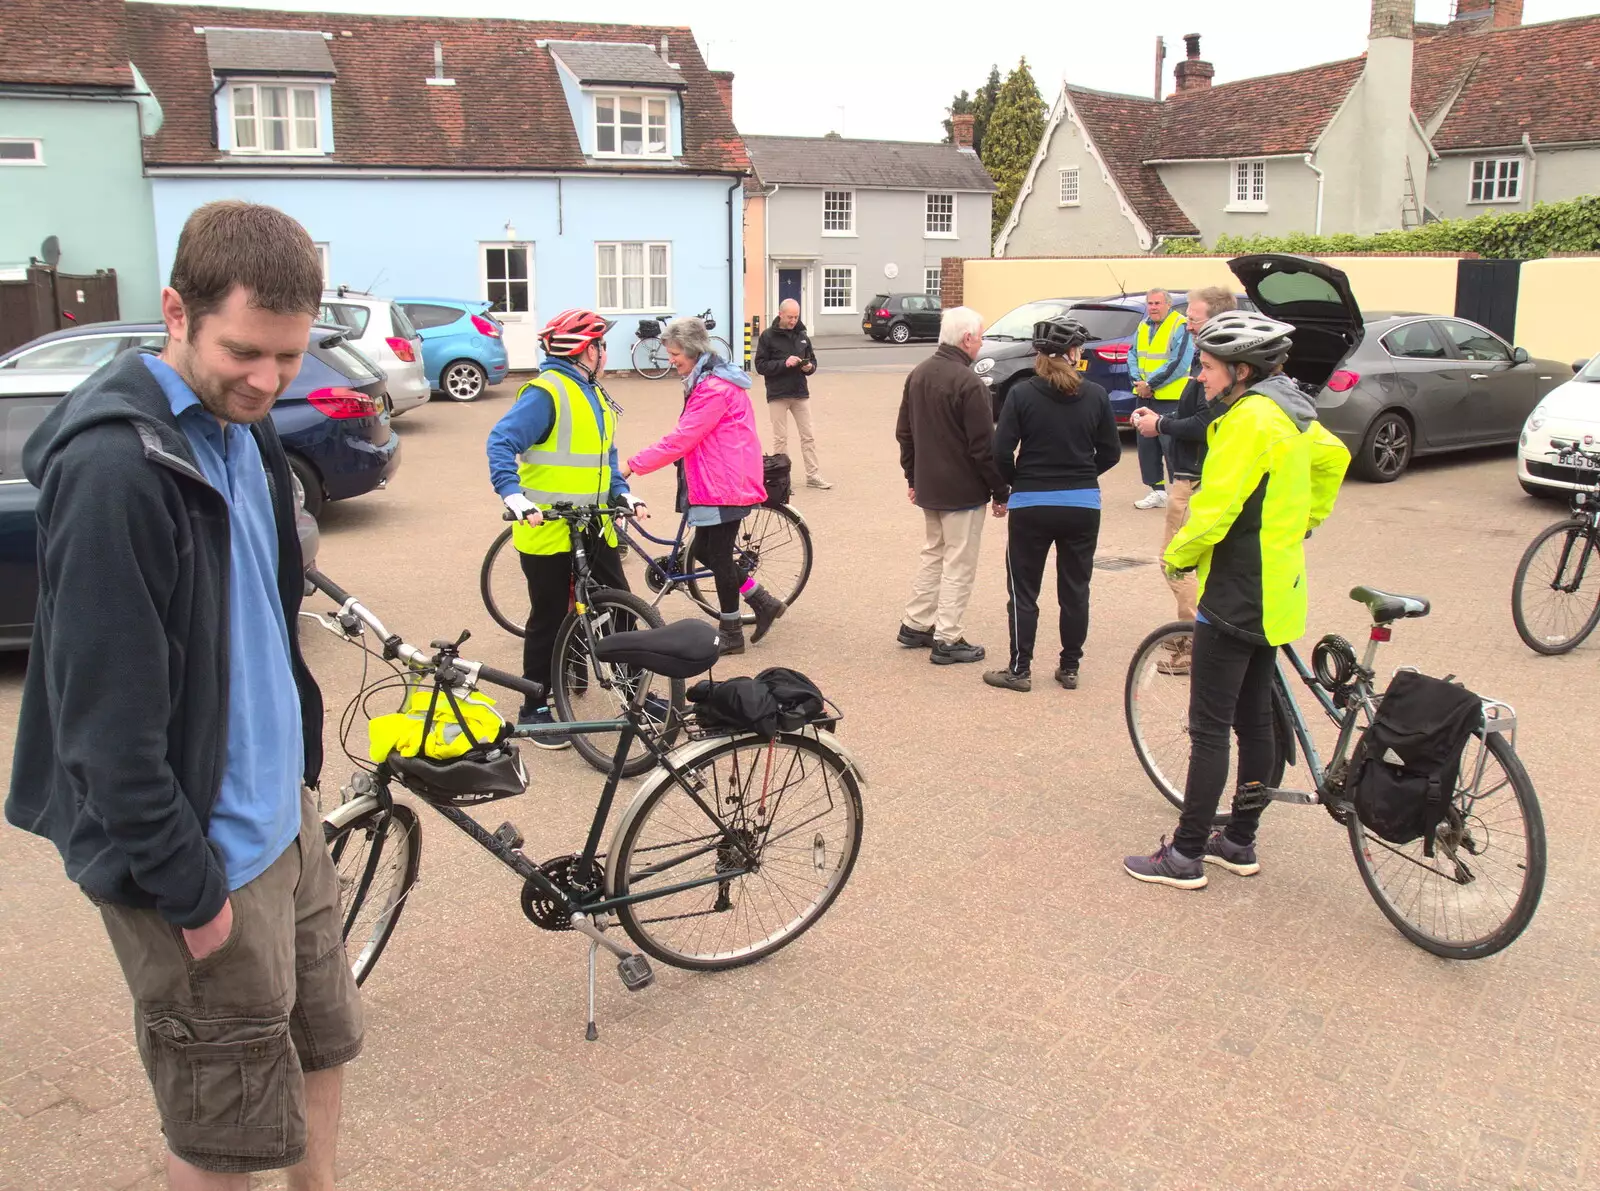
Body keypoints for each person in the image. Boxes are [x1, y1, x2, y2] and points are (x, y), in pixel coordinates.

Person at [6, 201, 361, 1189]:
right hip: (200, 857)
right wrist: (186, 890)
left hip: (285, 824)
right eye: (246, 352)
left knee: (324, 1049)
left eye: (289, 358)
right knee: (222, 1134)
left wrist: (296, 785)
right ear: (174, 310)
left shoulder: (243, 432)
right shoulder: (115, 469)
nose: (268, 380)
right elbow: (103, 725)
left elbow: (262, 612)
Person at [1124, 312, 1351, 890]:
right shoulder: (1291, 411)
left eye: (1207, 366)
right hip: (1278, 589)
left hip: (1235, 590)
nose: (1201, 376)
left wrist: (1178, 556)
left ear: (1241, 371)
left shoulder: (1248, 420)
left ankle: (1186, 854)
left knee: (1208, 728)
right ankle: (1241, 841)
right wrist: (1305, 522)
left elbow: (1216, 508)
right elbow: (1334, 461)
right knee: (1254, 723)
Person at [486, 308, 644, 749]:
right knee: (549, 616)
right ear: (585, 350)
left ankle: (634, 691)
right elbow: (502, 441)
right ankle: (534, 705)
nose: (606, 353)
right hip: (547, 524)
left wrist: (622, 491)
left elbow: (604, 458)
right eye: (602, 345)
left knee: (622, 607)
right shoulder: (546, 392)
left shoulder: (591, 391)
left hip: (594, 522)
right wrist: (512, 494)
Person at [621, 317, 781, 655]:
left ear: (693, 351)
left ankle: (732, 633)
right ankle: (763, 601)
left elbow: (683, 438)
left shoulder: (713, 389)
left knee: (718, 556)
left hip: (726, 482)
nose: (671, 360)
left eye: (675, 353)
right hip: (720, 478)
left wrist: (633, 465)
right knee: (707, 552)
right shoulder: (707, 380)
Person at [983, 316, 1120, 693]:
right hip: (1082, 503)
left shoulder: (1022, 394)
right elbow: (1111, 452)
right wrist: (1082, 474)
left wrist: (1016, 482)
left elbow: (1000, 450)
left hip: (1032, 503)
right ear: (1073, 354)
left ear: (1039, 355)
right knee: (1075, 588)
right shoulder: (1095, 394)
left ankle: (1019, 669)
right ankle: (1069, 667)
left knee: (1024, 590)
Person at [1130, 285, 1237, 675]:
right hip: (1191, 475)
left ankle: (1194, 643)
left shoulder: (1222, 369)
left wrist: (1161, 424)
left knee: (1176, 561)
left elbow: (1204, 424)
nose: (1188, 325)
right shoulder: (1210, 361)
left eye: (1194, 318)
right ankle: (1200, 637)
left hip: (1195, 481)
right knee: (1189, 563)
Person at [895, 305, 1009, 665]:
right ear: (966, 339)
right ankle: (948, 636)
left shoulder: (919, 374)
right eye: (980, 336)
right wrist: (1000, 489)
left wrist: (913, 477)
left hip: (930, 485)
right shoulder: (969, 382)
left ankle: (915, 623)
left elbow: (905, 434)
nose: (982, 342)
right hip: (962, 489)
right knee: (959, 561)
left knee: (934, 553)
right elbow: (982, 447)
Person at [1127, 288, 1194, 510]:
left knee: (1172, 446)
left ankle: (1181, 492)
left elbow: (1179, 362)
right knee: (1146, 445)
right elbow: (1133, 354)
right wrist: (1138, 382)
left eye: (1157, 303)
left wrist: (1151, 384)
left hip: (1170, 397)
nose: (1153, 307)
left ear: (1168, 304)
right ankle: (1156, 491)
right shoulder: (1144, 325)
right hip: (1144, 395)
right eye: (1150, 303)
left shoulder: (1180, 325)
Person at [755, 298, 831, 489]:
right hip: (778, 394)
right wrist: (784, 363)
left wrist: (809, 367)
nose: (793, 321)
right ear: (780, 314)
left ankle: (813, 475)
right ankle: (782, 481)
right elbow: (760, 365)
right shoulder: (767, 336)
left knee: (808, 435)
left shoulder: (803, 336)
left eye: (796, 317)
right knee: (780, 439)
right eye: (790, 317)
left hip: (800, 392)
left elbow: (813, 360)